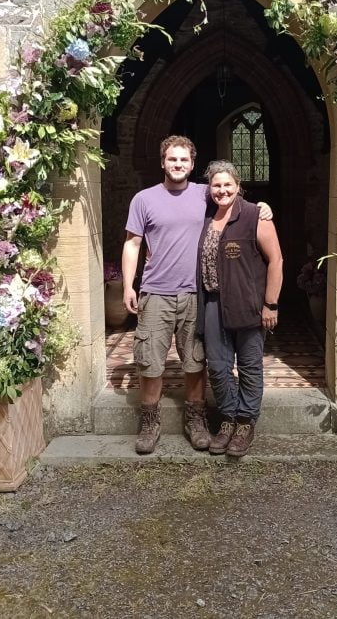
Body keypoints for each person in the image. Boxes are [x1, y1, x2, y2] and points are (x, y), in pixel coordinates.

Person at [122, 136, 272, 455]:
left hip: (195, 294)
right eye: (172, 159)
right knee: (150, 362)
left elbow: (230, 196)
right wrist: (127, 286)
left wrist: (262, 207)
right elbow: (132, 243)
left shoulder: (203, 194)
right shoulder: (143, 199)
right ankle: (149, 423)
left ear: (192, 164)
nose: (178, 165)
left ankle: (196, 420)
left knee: (195, 362)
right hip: (156, 292)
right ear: (163, 162)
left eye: (184, 160)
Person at [197, 160, 283, 458]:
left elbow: (276, 261)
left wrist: (270, 304)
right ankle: (229, 418)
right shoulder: (205, 216)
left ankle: (246, 422)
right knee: (218, 368)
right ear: (209, 189)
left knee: (249, 367)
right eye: (216, 185)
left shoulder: (255, 215)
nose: (222, 190)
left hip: (247, 303)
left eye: (227, 185)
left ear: (238, 186)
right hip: (212, 303)